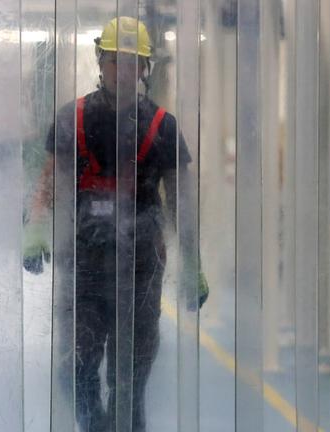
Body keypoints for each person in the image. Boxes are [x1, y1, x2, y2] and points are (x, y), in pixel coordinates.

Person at [23, 16, 208, 432]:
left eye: (133, 63)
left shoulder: (164, 128)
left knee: (129, 384)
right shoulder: (73, 119)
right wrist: (35, 231)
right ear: (101, 61)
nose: (123, 70)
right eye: (115, 61)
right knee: (76, 371)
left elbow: (181, 204)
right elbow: (49, 183)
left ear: (145, 69)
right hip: (84, 268)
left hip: (141, 270)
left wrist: (192, 265)